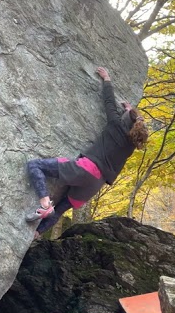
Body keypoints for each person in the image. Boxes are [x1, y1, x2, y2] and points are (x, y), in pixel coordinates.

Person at [25, 67, 148, 237]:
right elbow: (133, 123)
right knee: (60, 209)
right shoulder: (131, 146)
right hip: (95, 185)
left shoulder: (115, 125)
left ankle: (45, 204)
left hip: (86, 169)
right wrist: (130, 111)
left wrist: (107, 79)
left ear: (124, 120)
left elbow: (109, 102)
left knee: (35, 165)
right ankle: (37, 233)